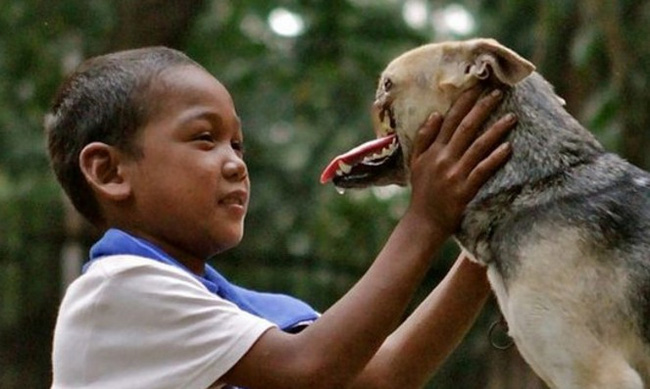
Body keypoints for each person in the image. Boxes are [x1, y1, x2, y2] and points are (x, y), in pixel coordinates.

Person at [46, 47, 515, 389]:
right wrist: (426, 218)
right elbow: (309, 368)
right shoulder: (118, 289)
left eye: (237, 145)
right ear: (109, 171)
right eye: (204, 138)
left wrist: (485, 241)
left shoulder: (225, 305)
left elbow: (381, 375)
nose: (235, 163)